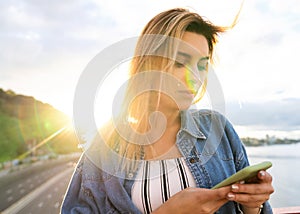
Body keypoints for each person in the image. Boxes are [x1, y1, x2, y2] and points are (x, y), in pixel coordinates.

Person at [61, 8, 274, 214]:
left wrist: (252, 206)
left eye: (201, 65)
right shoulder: (104, 146)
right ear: (148, 64)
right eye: (180, 62)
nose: (195, 78)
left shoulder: (218, 129)